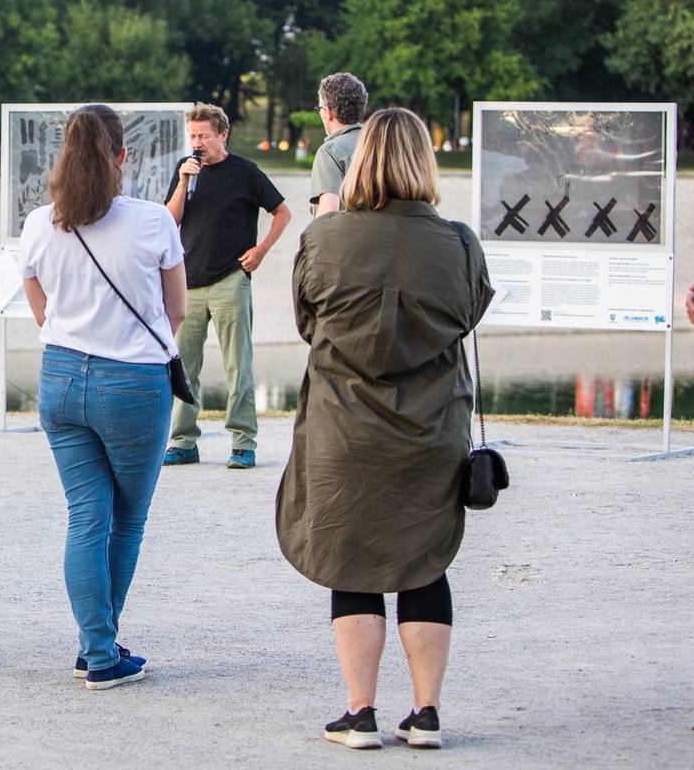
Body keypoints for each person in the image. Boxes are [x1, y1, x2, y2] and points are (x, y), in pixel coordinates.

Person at [276, 108, 491, 750]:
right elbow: (468, 316)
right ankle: (426, 714)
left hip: (344, 426)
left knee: (353, 560)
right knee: (425, 560)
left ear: (361, 160)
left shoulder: (324, 238)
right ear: (424, 161)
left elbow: (308, 322)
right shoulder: (458, 243)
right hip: (430, 428)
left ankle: (360, 713)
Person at [19, 105, 187, 690]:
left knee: (85, 517)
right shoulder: (152, 221)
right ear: (122, 156)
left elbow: (38, 300)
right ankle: (101, 649)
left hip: (60, 378)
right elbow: (177, 311)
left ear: (63, 157)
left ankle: (97, 643)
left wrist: (69, 328)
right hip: (133, 383)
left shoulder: (41, 222)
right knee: (128, 519)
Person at [162, 102, 291, 468]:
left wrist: (261, 250)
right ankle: (184, 441)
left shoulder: (245, 172)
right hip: (188, 280)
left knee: (238, 365)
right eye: (192, 136)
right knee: (183, 366)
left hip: (230, 279)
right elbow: (169, 220)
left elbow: (282, 211)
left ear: (222, 134)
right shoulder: (185, 170)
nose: (197, 142)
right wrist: (184, 180)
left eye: (203, 135)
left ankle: (243, 442)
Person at [308, 73, 367, 217]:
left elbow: (327, 215)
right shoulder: (381, 143)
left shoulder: (330, 152)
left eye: (320, 108)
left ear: (328, 112)